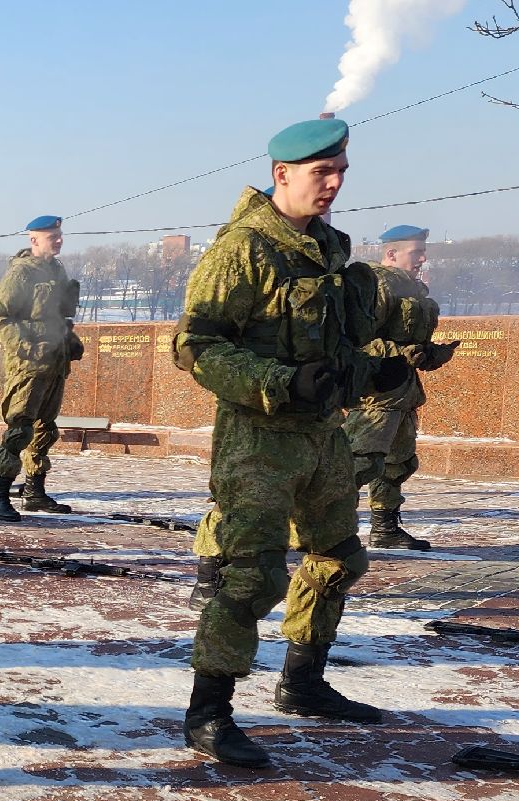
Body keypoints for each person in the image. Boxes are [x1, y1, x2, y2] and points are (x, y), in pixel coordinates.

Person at [172, 118, 415, 768]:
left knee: (338, 558)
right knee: (249, 577)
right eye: (319, 173)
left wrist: (376, 368)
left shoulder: (332, 251)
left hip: (321, 439)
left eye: (339, 171)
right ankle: (207, 714)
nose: (331, 183)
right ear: (281, 175)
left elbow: (335, 354)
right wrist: (279, 382)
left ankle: (301, 682)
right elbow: (193, 345)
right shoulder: (244, 249)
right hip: (256, 440)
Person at [345, 225, 456, 550]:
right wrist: (398, 353)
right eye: (416, 252)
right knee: (358, 464)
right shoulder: (373, 284)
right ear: (391, 253)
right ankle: (333, 533)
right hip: (375, 395)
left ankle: (385, 528)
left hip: (404, 394)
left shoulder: (414, 289)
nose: (423, 258)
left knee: (398, 464)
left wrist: (432, 352)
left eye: (424, 251)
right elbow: (355, 342)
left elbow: (412, 342)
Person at [0, 215, 85, 522]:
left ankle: (34, 492)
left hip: (55, 362)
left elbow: (59, 317)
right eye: (52, 236)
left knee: (46, 429)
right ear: (33, 240)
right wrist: (28, 347)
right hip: (28, 365)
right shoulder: (22, 273)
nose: (58, 240)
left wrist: (70, 340)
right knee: (20, 429)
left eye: (59, 235)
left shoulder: (56, 270)